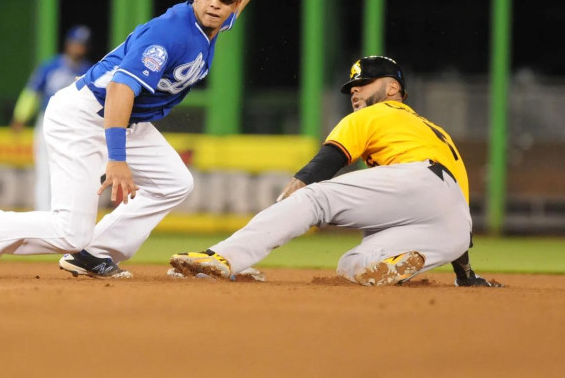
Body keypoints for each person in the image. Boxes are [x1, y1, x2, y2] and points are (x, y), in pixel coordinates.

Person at [0, 0, 282, 278]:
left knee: (174, 183)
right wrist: (116, 158)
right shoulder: (170, 34)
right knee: (70, 231)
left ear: (235, 4)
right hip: (84, 115)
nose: (216, 3)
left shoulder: (213, 22)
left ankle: (92, 253)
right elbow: (122, 87)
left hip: (125, 119)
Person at [170, 56, 501, 287]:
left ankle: (223, 257)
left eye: (364, 82)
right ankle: (394, 267)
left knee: (315, 197)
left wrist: (283, 210)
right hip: (455, 225)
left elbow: (322, 166)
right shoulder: (430, 129)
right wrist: (466, 275)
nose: (355, 90)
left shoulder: (375, 114)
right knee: (355, 265)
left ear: (391, 89)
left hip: (417, 181)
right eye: (352, 86)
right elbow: (453, 207)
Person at [10, 25, 93, 211]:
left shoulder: (89, 70)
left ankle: (65, 212)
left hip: (76, 125)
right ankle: (43, 214)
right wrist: (20, 116)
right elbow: (32, 92)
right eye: (75, 43)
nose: (78, 47)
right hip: (48, 122)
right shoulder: (50, 66)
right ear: (68, 44)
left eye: (82, 44)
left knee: (72, 170)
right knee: (45, 170)